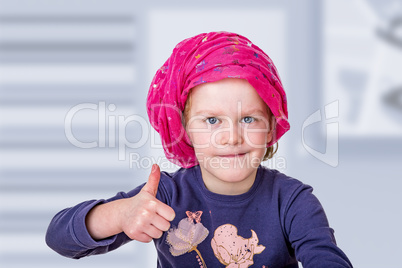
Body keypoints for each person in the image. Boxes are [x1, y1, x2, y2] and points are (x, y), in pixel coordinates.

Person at [46, 31, 353, 267]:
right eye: (211, 120)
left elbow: (326, 258)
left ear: (271, 126)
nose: (231, 137)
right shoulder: (166, 195)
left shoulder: (292, 202)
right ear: (185, 129)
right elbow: (58, 237)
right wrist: (119, 214)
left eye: (248, 118)